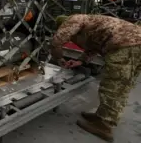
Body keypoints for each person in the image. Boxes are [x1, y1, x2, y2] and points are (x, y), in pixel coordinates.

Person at [51, 14, 141, 142]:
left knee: (113, 86)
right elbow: (93, 47)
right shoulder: (91, 24)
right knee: (123, 85)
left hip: (125, 45)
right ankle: (102, 117)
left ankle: (105, 126)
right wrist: (80, 61)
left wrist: (59, 58)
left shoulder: (73, 19)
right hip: (135, 43)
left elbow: (57, 41)